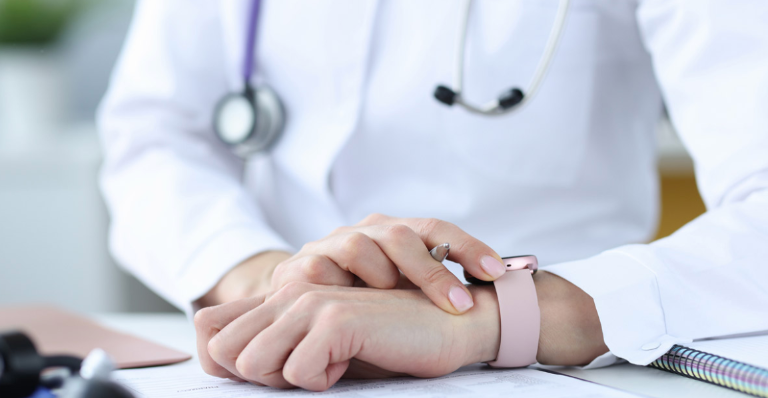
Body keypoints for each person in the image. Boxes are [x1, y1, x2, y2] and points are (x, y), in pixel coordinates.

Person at [99, 0, 768, 392]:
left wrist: (492, 316)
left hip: (569, 369)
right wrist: (277, 285)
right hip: (285, 368)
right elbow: (154, 139)